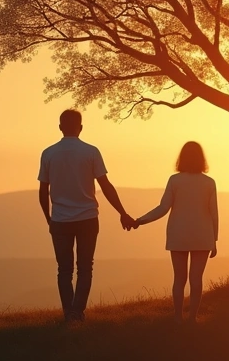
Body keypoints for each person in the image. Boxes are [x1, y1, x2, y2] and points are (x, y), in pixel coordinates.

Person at [38, 109, 136, 322]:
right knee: (85, 267)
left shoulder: (48, 153)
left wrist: (49, 219)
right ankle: (77, 311)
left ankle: (68, 312)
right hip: (88, 219)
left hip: (60, 220)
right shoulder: (91, 152)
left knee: (64, 269)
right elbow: (106, 186)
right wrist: (122, 212)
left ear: (60, 127)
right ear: (80, 128)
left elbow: (42, 191)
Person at [133, 141, 219, 323]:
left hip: (178, 234)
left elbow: (163, 208)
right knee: (196, 279)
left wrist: (141, 220)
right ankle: (193, 318)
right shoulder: (209, 183)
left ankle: (178, 317)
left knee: (179, 279)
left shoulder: (175, 180)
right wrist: (214, 240)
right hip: (203, 236)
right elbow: (214, 214)